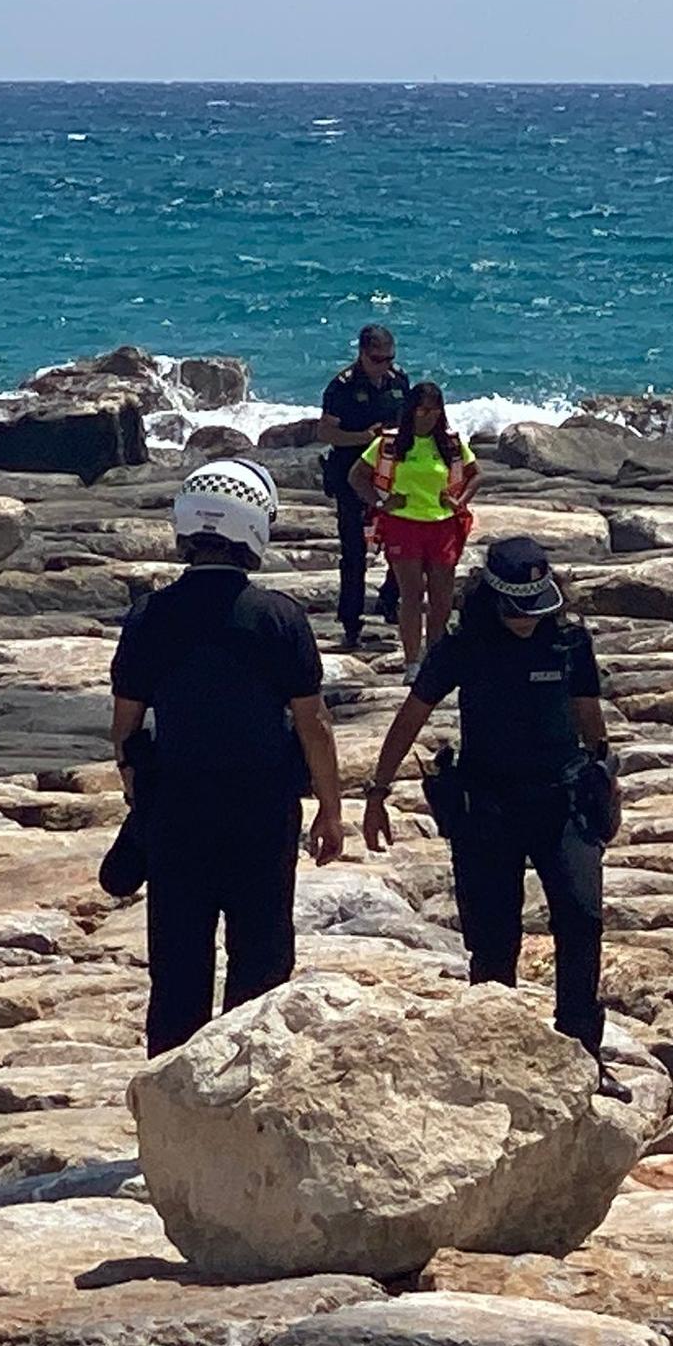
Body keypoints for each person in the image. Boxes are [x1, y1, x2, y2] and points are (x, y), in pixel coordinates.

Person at [361, 537, 630, 1101]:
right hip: (487, 806)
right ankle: (490, 1058)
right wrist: (378, 791)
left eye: (534, 609)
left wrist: (606, 779)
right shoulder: (464, 644)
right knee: (492, 939)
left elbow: (588, 715)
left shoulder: (570, 641)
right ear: (493, 598)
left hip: (562, 800)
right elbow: (413, 713)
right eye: (514, 611)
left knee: (581, 920)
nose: (524, 622)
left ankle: (584, 1053)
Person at [110, 457, 346, 1057]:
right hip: (260, 814)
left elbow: (126, 729)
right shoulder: (278, 617)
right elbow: (313, 724)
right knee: (261, 965)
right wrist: (330, 809)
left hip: (176, 813)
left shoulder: (148, 616)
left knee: (178, 968)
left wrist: (140, 799)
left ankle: (169, 1100)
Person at [349, 382, 481, 684]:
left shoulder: (449, 444)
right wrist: (381, 502)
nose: (428, 416)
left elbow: (476, 474)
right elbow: (357, 476)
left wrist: (460, 501)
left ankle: (436, 656)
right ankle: (412, 663)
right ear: (411, 410)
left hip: (443, 524)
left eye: (434, 410)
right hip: (403, 524)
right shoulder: (390, 444)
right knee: (411, 594)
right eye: (423, 410)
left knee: (442, 598)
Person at [318, 324, 408, 648]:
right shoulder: (342, 387)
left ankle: (389, 598)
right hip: (351, 476)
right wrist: (363, 438)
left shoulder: (399, 381)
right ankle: (351, 620)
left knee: (402, 540)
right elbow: (325, 433)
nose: (383, 365)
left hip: (391, 473)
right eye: (377, 359)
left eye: (389, 358)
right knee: (354, 551)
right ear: (362, 354)